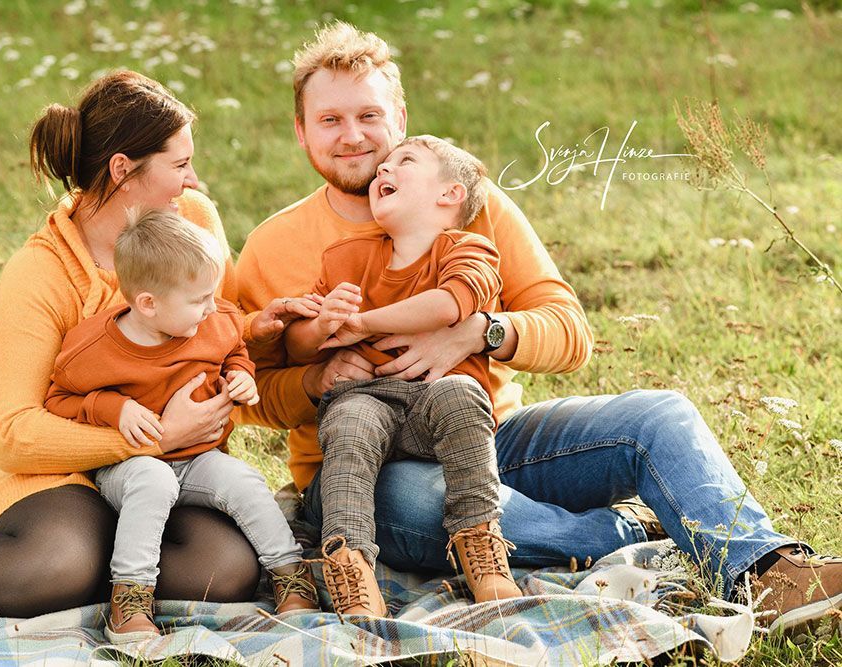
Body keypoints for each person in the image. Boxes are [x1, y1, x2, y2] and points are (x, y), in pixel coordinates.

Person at [233, 23, 841, 635]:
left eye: (369, 114)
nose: (353, 136)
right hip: (362, 473)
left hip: (490, 438)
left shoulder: (467, 202)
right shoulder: (273, 245)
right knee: (420, 501)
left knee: (660, 415)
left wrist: (481, 332)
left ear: (400, 115)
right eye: (330, 120)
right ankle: (624, 530)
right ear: (301, 130)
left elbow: (569, 331)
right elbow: (249, 393)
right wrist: (318, 377)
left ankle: (769, 574)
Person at [0, 70, 313, 619]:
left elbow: (212, 333)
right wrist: (147, 440)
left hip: (177, 467)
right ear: (123, 170)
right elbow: (13, 431)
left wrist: (258, 331)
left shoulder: (194, 222)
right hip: (56, 470)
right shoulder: (41, 272)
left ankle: (95, 573)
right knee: (61, 564)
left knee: (223, 572)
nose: (194, 181)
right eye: (180, 165)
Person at [44, 209, 319, 641]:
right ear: (147, 303)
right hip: (129, 466)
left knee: (243, 480)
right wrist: (114, 409)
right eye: (199, 300)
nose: (213, 308)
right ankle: (129, 599)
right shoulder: (92, 350)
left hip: (198, 458)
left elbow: (233, 348)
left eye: (212, 295)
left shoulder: (215, 319)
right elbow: (58, 400)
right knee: (153, 479)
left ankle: (289, 574)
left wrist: (241, 374)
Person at [285, 136, 522, 615]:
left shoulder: (469, 249)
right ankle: (349, 567)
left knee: (459, 390)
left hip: (436, 405)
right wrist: (323, 323)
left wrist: (365, 323)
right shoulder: (345, 259)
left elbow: (450, 303)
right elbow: (296, 345)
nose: (383, 170)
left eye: (404, 161)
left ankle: (481, 548)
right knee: (349, 420)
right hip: (367, 398)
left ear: (450, 194)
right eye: (383, 166)